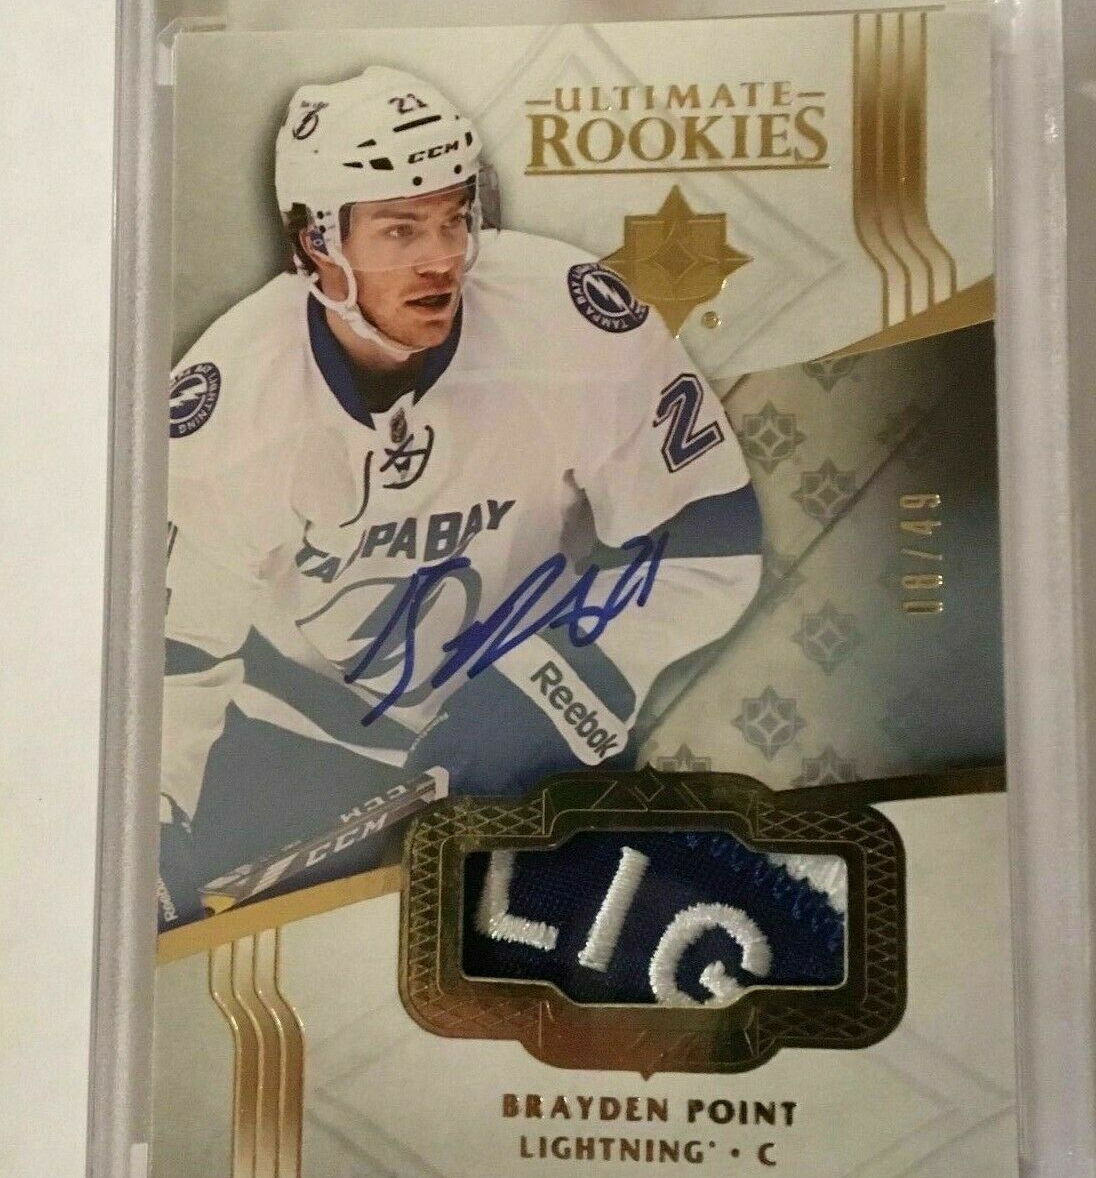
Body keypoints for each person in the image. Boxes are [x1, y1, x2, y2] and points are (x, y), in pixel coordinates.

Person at [160, 65, 762, 927]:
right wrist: (151, 830)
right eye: (400, 229)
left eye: (452, 218)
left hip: (538, 715)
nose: (441, 256)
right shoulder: (229, 403)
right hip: (301, 740)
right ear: (314, 244)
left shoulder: (568, 322)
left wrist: (566, 681)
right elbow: (175, 655)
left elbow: (711, 541)